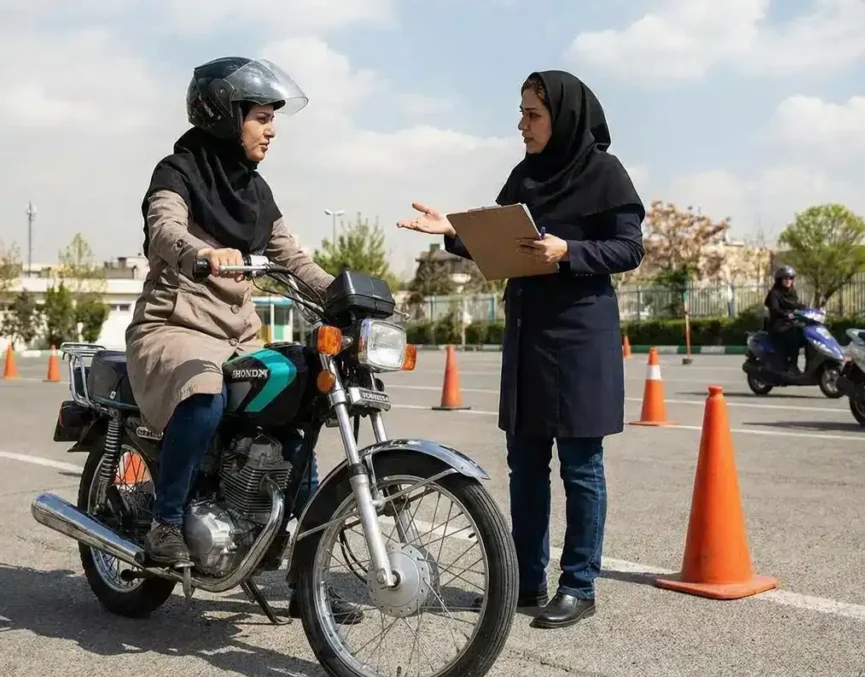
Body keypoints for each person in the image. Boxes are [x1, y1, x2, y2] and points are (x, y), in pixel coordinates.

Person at [397, 70, 645, 629]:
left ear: (563, 117)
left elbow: (629, 248)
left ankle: (579, 586)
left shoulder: (604, 173)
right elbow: (502, 240)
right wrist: (452, 232)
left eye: (532, 114)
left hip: (581, 334)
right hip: (529, 333)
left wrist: (569, 250)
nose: (522, 124)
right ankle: (526, 581)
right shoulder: (525, 175)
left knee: (581, 467)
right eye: (521, 112)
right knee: (525, 464)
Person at [125, 56, 361, 622]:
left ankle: (305, 575)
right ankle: (165, 522)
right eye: (260, 116)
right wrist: (203, 254)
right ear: (225, 116)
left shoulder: (255, 192)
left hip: (238, 336)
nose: (271, 128)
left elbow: (293, 258)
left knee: (302, 404)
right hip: (175, 327)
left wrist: (348, 294)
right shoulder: (177, 172)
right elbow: (164, 228)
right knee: (204, 392)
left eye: (273, 117)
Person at [764, 265, 805, 373]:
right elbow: (774, 309)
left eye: (790, 278)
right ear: (780, 280)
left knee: (807, 334)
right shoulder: (774, 293)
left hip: (790, 323)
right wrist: (786, 314)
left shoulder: (792, 293)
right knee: (793, 336)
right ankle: (792, 365)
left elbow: (796, 305)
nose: (788, 281)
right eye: (785, 278)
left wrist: (811, 310)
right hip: (778, 325)